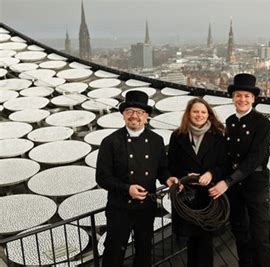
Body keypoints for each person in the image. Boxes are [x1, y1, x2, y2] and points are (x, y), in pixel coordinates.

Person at [96, 90, 173, 267]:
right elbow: (102, 177)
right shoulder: (110, 141)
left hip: (146, 208)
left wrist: (169, 180)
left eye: (139, 112)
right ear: (123, 115)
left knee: (144, 250)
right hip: (119, 208)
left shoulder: (156, 140)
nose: (134, 116)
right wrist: (127, 189)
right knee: (114, 251)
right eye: (129, 111)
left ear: (146, 116)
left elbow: (162, 169)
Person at [209, 73, 270, 267]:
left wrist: (227, 181)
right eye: (238, 95)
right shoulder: (229, 122)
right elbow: (227, 157)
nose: (242, 99)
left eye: (247, 96)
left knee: (260, 237)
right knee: (240, 232)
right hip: (236, 189)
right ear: (233, 98)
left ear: (253, 99)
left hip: (255, 186)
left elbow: (256, 158)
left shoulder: (262, 123)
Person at [165, 98, 227, 267]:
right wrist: (185, 175)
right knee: (191, 243)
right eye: (195, 111)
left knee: (206, 243)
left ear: (208, 115)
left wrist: (210, 173)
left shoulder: (217, 135)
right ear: (189, 114)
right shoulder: (177, 136)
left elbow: (223, 165)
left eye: (203, 112)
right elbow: (171, 164)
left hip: (208, 198)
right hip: (187, 197)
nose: (199, 115)